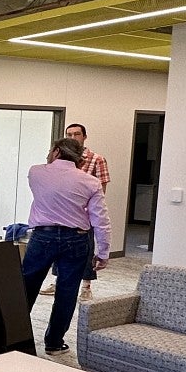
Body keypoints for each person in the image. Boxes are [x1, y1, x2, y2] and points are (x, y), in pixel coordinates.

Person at [22, 137, 111, 354]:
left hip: (42, 236)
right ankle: (54, 343)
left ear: (56, 151)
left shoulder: (36, 172)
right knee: (67, 291)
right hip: (76, 238)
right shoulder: (90, 182)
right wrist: (103, 252)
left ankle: (15, 338)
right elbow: (101, 220)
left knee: (26, 287)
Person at [40, 122, 111, 300]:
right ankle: (57, 281)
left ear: (84, 136)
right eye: (69, 134)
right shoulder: (59, 159)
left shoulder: (96, 159)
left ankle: (86, 286)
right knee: (59, 250)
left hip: (84, 215)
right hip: (61, 215)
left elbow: (101, 188)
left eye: (76, 134)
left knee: (86, 251)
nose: (73, 138)